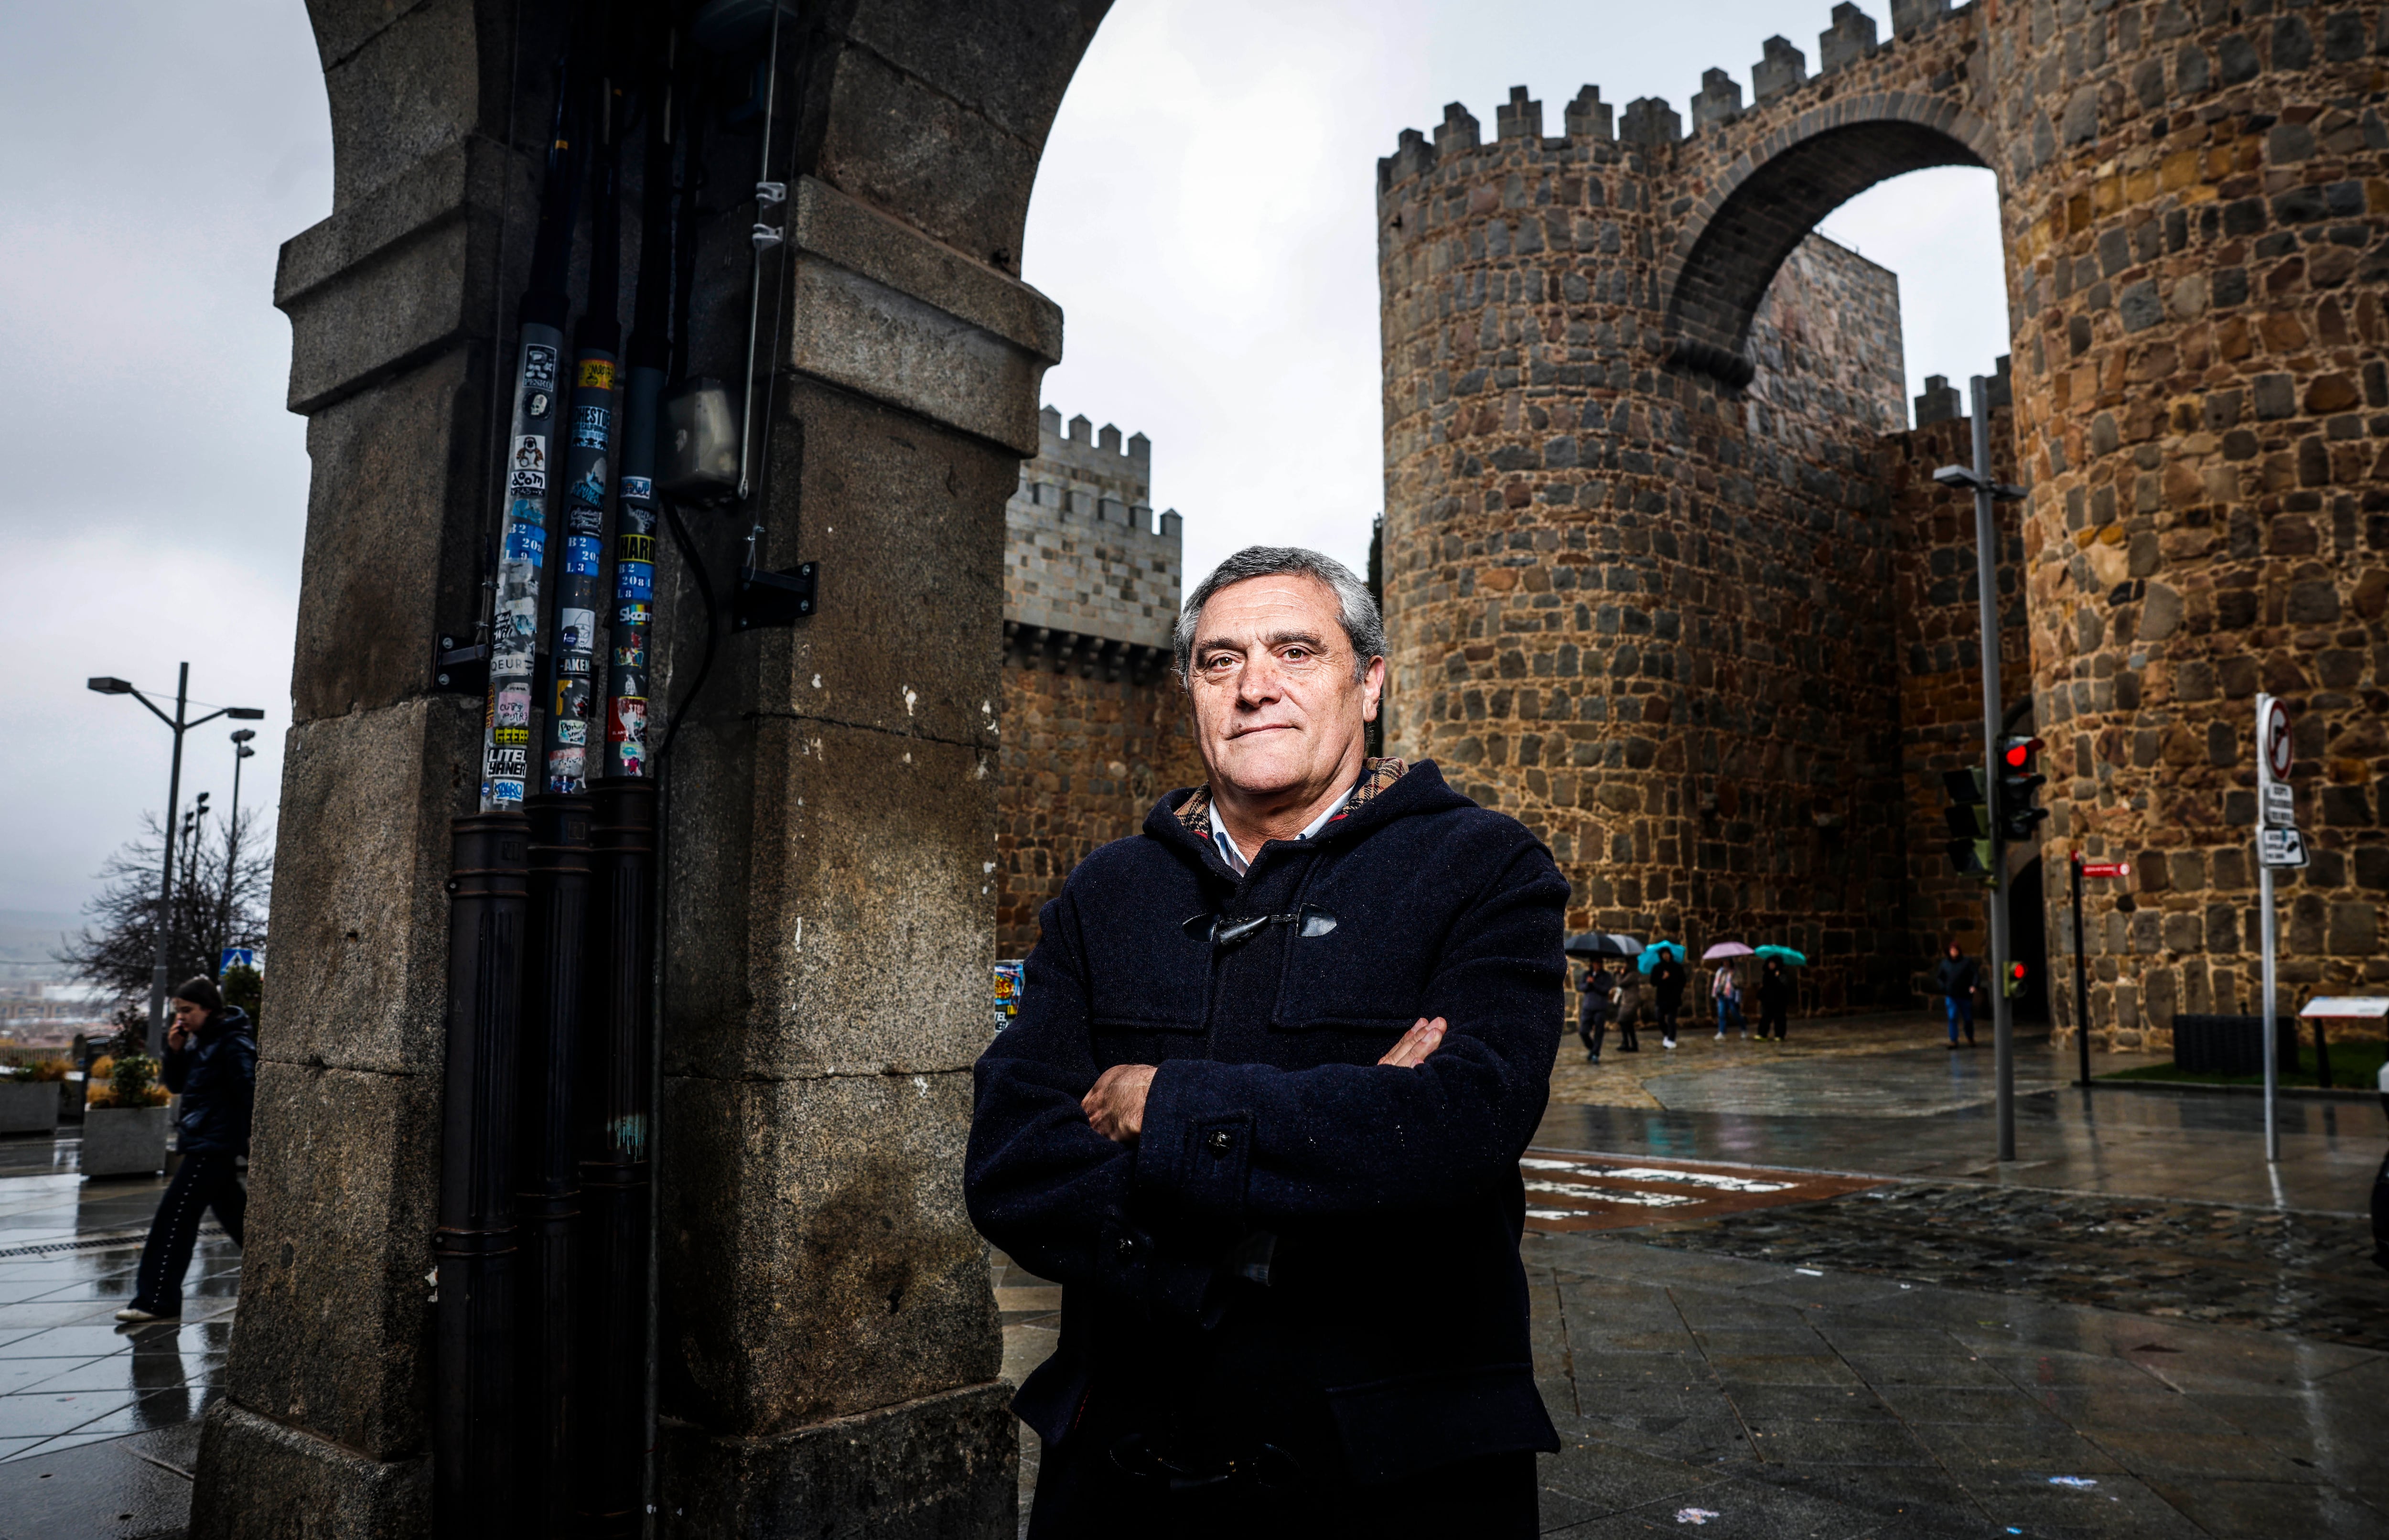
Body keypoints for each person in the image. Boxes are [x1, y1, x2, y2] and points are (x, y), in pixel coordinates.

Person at [968, 546, 1567, 1538]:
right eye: (1219, 661)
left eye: (1295, 650)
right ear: (1190, 692)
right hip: (1124, 1477)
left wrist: (1166, 1107)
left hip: (1393, 1476)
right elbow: (1010, 1162)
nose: (1255, 687)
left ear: (1368, 682)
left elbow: (1460, 1124)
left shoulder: (1484, 868)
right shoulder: (1105, 894)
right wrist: (1272, 1215)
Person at [116, 976, 254, 1325]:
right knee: (240, 1219)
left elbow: (252, 1093)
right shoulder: (200, 1042)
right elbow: (178, 1085)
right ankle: (283, 1274)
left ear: (209, 1008)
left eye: (188, 1011)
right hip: (205, 1141)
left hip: (214, 1145)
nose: (182, 1018)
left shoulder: (232, 1042)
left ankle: (157, 1298)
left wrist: (252, 1141)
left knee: (174, 1218)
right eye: (178, 1011)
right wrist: (174, 1051)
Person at [1932, 940, 1980, 1047]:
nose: (1953, 952)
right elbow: (1940, 977)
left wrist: (1974, 985)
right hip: (1951, 995)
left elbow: (1975, 974)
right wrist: (1943, 987)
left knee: (1968, 1018)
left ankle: (1970, 1037)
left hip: (1965, 996)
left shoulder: (1966, 962)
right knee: (1952, 1017)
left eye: (1955, 950)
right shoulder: (1945, 964)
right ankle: (1954, 1040)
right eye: (1952, 950)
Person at [1577, 960, 1616, 1062]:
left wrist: (1594, 983)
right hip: (1588, 1006)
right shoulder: (1587, 974)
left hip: (1600, 1007)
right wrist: (1588, 983)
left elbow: (1606, 990)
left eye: (1599, 963)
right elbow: (1581, 987)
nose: (1597, 965)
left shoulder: (1606, 976)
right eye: (1595, 963)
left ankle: (1595, 1053)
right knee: (1583, 1031)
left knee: (1599, 1032)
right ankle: (1593, 1049)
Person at [1650, 951, 1688, 1049]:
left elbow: (1682, 981)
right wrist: (1662, 978)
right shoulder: (1658, 967)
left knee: (1671, 1019)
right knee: (1660, 1017)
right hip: (1662, 998)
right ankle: (1667, 1034)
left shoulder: (1677, 967)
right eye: (1664, 954)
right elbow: (1653, 982)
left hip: (1673, 997)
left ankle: (1671, 1039)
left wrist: (1672, 979)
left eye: (1667, 954)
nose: (1666, 956)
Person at [1756, 958, 1792, 1042]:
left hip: (1779, 1000)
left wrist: (1778, 977)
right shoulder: (1767, 974)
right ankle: (1762, 1033)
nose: (1771, 965)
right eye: (1770, 963)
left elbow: (1784, 985)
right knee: (1766, 1017)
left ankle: (1780, 1035)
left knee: (1779, 1017)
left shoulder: (1782, 974)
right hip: (1768, 1000)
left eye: (1773, 964)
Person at [1710, 961, 1744, 1040]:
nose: (1726, 964)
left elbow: (1740, 982)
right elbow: (1718, 983)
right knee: (1721, 1013)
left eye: (1727, 962)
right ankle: (1722, 1032)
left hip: (1731, 996)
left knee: (1735, 1013)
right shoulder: (1720, 972)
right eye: (1724, 962)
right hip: (1722, 995)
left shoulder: (1736, 972)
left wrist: (1732, 980)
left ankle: (1743, 1029)